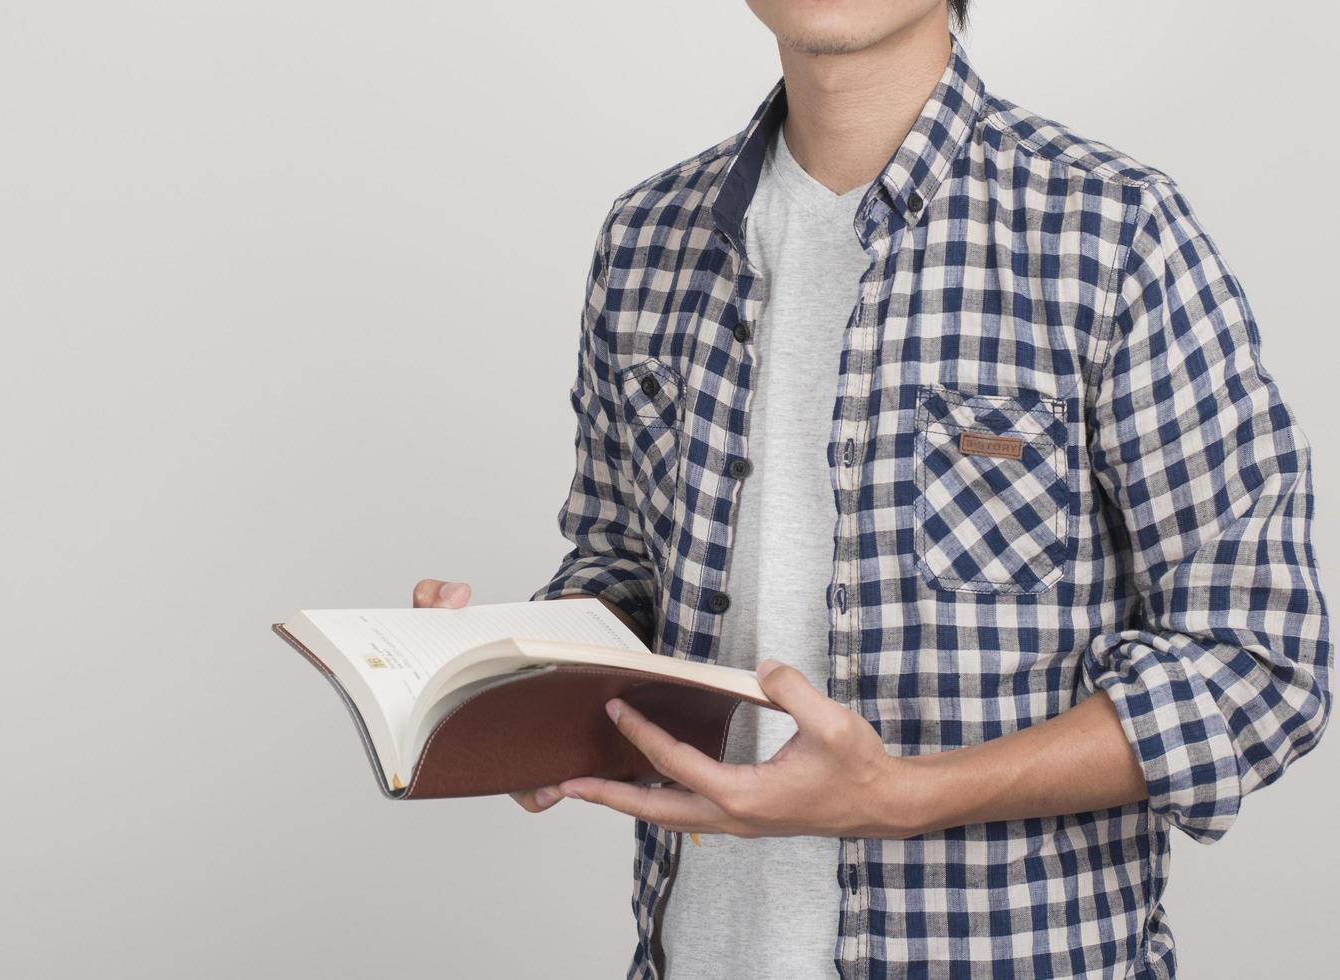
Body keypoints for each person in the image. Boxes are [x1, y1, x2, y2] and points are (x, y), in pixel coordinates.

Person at [413, 2, 1332, 977]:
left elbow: (1260, 662)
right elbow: (627, 568)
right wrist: (517, 675)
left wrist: (904, 792)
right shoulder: (648, 241)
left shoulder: (1110, 233)